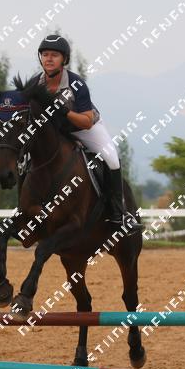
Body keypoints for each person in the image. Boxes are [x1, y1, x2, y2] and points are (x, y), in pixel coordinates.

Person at [35, 34, 140, 234]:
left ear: (64, 59)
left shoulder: (76, 84)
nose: (48, 59)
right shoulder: (36, 84)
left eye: (54, 55)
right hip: (57, 133)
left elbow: (87, 121)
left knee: (112, 159)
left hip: (85, 129)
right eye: (45, 54)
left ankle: (119, 215)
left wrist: (65, 111)